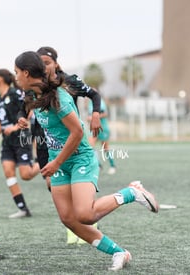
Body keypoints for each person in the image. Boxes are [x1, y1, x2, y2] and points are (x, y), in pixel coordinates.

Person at [14, 51, 159, 271]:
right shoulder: (32, 94)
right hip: (58, 161)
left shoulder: (59, 99)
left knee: (85, 215)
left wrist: (55, 163)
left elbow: (77, 134)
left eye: (16, 72)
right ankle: (119, 252)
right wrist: (23, 119)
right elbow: (24, 108)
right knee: (69, 219)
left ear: (26, 73)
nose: (15, 77)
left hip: (79, 156)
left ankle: (131, 193)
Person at [20, 46, 103, 244]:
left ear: (56, 63)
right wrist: (22, 118)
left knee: (78, 197)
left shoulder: (68, 83)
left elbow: (94, 95)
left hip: (70, 141)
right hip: (45, 143)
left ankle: (84, 223)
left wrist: (96, 114)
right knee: (52, 185)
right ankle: (74, 224)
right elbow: (24, 107)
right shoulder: (32, 88)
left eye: (47, 63)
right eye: (41, 64)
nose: (44, 67)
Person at [0, 68, 40, 219]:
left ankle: (42, 163)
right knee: (8, 171)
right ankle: (23, 209)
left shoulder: (15, 94)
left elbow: (30, 110)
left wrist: (15, 127)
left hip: (21, 137)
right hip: (7, 142)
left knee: (26, 175)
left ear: (0, 79)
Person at [88, 96, 116, 175]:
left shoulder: (100, 102)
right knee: (90, 146)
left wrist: (95, 117)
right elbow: (89, 115)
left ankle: (112, 166)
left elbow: (105, 113)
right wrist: (89, 118)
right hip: (94, 129)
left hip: (102, 128)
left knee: (105, 148)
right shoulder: (90, 104)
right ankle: (98, 165)